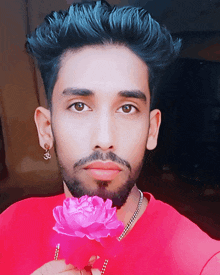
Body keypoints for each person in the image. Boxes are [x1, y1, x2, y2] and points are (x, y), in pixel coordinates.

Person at [0, 1, 220, 274]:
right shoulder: (10, 228)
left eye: (127, 108)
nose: (104, 139)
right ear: (46, 127)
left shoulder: (201, 263)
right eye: (79, 106)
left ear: (152, 130)